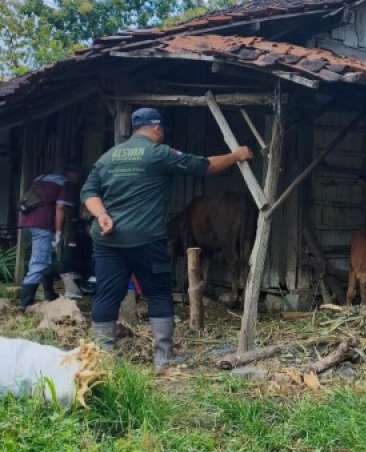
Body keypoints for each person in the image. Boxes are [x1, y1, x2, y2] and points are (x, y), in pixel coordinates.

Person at [80, 108, 254, 371]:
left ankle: (103, 359)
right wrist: (236, 155)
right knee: (159, 293)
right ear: (157, 128)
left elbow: (89, 192)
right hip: (145, 239)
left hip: (107, 239)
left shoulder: (108, 157)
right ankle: (163, 358)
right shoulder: (158, 154)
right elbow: (204, 165)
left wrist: (102, 214)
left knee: (106, 295)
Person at [17, 163, 83, 309]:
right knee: (39, 262)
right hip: (43, 225)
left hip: (26, 223)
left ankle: (49, 294)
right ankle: (25, 304)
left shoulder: (40, 178)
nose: (78, 179)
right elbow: (60, 208)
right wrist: (58, 232)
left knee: (47, 258)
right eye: (78, 176)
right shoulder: (64, 183)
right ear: (71, 174)